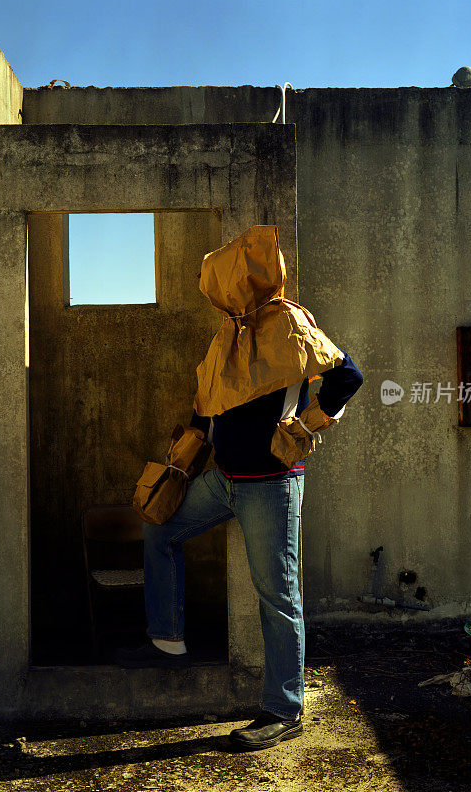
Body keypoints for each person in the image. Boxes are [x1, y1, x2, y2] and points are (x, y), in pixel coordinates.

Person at [114, 226, 363, 750]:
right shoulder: (232, 329)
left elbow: (349, 375)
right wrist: (184, 456)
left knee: (277, 595)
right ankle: (167, 641)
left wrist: (308, 422)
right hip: (225, 480)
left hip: (272, 486)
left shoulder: (288, 321)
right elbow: (212, 398)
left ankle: (284, 710)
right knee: (160, 527)